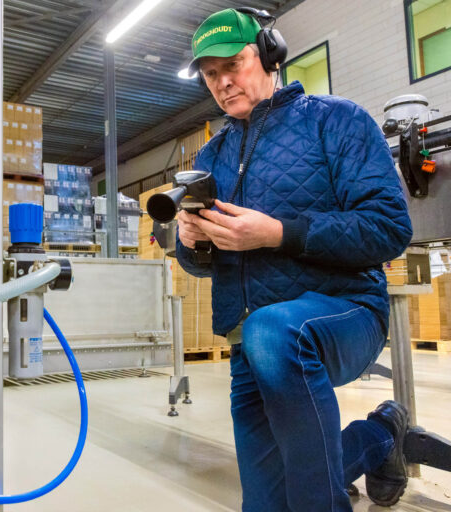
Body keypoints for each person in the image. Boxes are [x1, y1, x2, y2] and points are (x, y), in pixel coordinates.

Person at [175, 7, 414, 512]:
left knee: (276, 331)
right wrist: (193, 241)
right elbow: (199, 266)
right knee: (269, 502)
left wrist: (277, 233)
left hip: (343, 311)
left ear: (267, 55)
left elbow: (390, 226)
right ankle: (379, 438)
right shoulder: (210, 158)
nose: (221, 82)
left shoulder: (336, 120)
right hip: (248, 340)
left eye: (232, 65)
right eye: (210, 75)